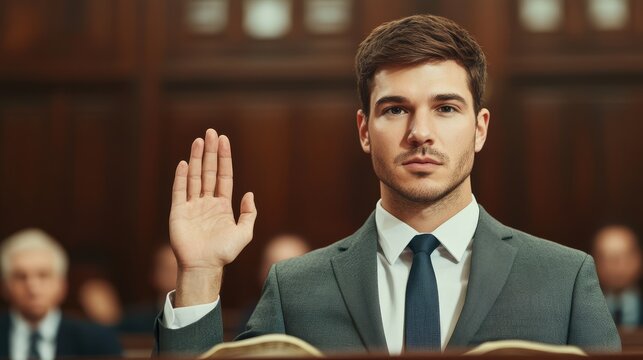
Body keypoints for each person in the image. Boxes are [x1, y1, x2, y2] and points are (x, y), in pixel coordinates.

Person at [154, 14, 620, 355]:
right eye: (396, 109)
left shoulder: (564, 279)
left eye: (446, 108)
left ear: (480, 128)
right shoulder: (295, 288)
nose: (420, 132)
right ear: (363, 129)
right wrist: (198, 276)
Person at [0, 228, 122, 359]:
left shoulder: (97, 339)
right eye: (21, 277)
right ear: (4, 287)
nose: (33, 288)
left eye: (43, 275)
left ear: (62, 286)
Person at [593, 225, 643, 328]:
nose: (615, 266)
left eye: (624, 256)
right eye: (606, 257)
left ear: (639, 259)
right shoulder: (583, 310)